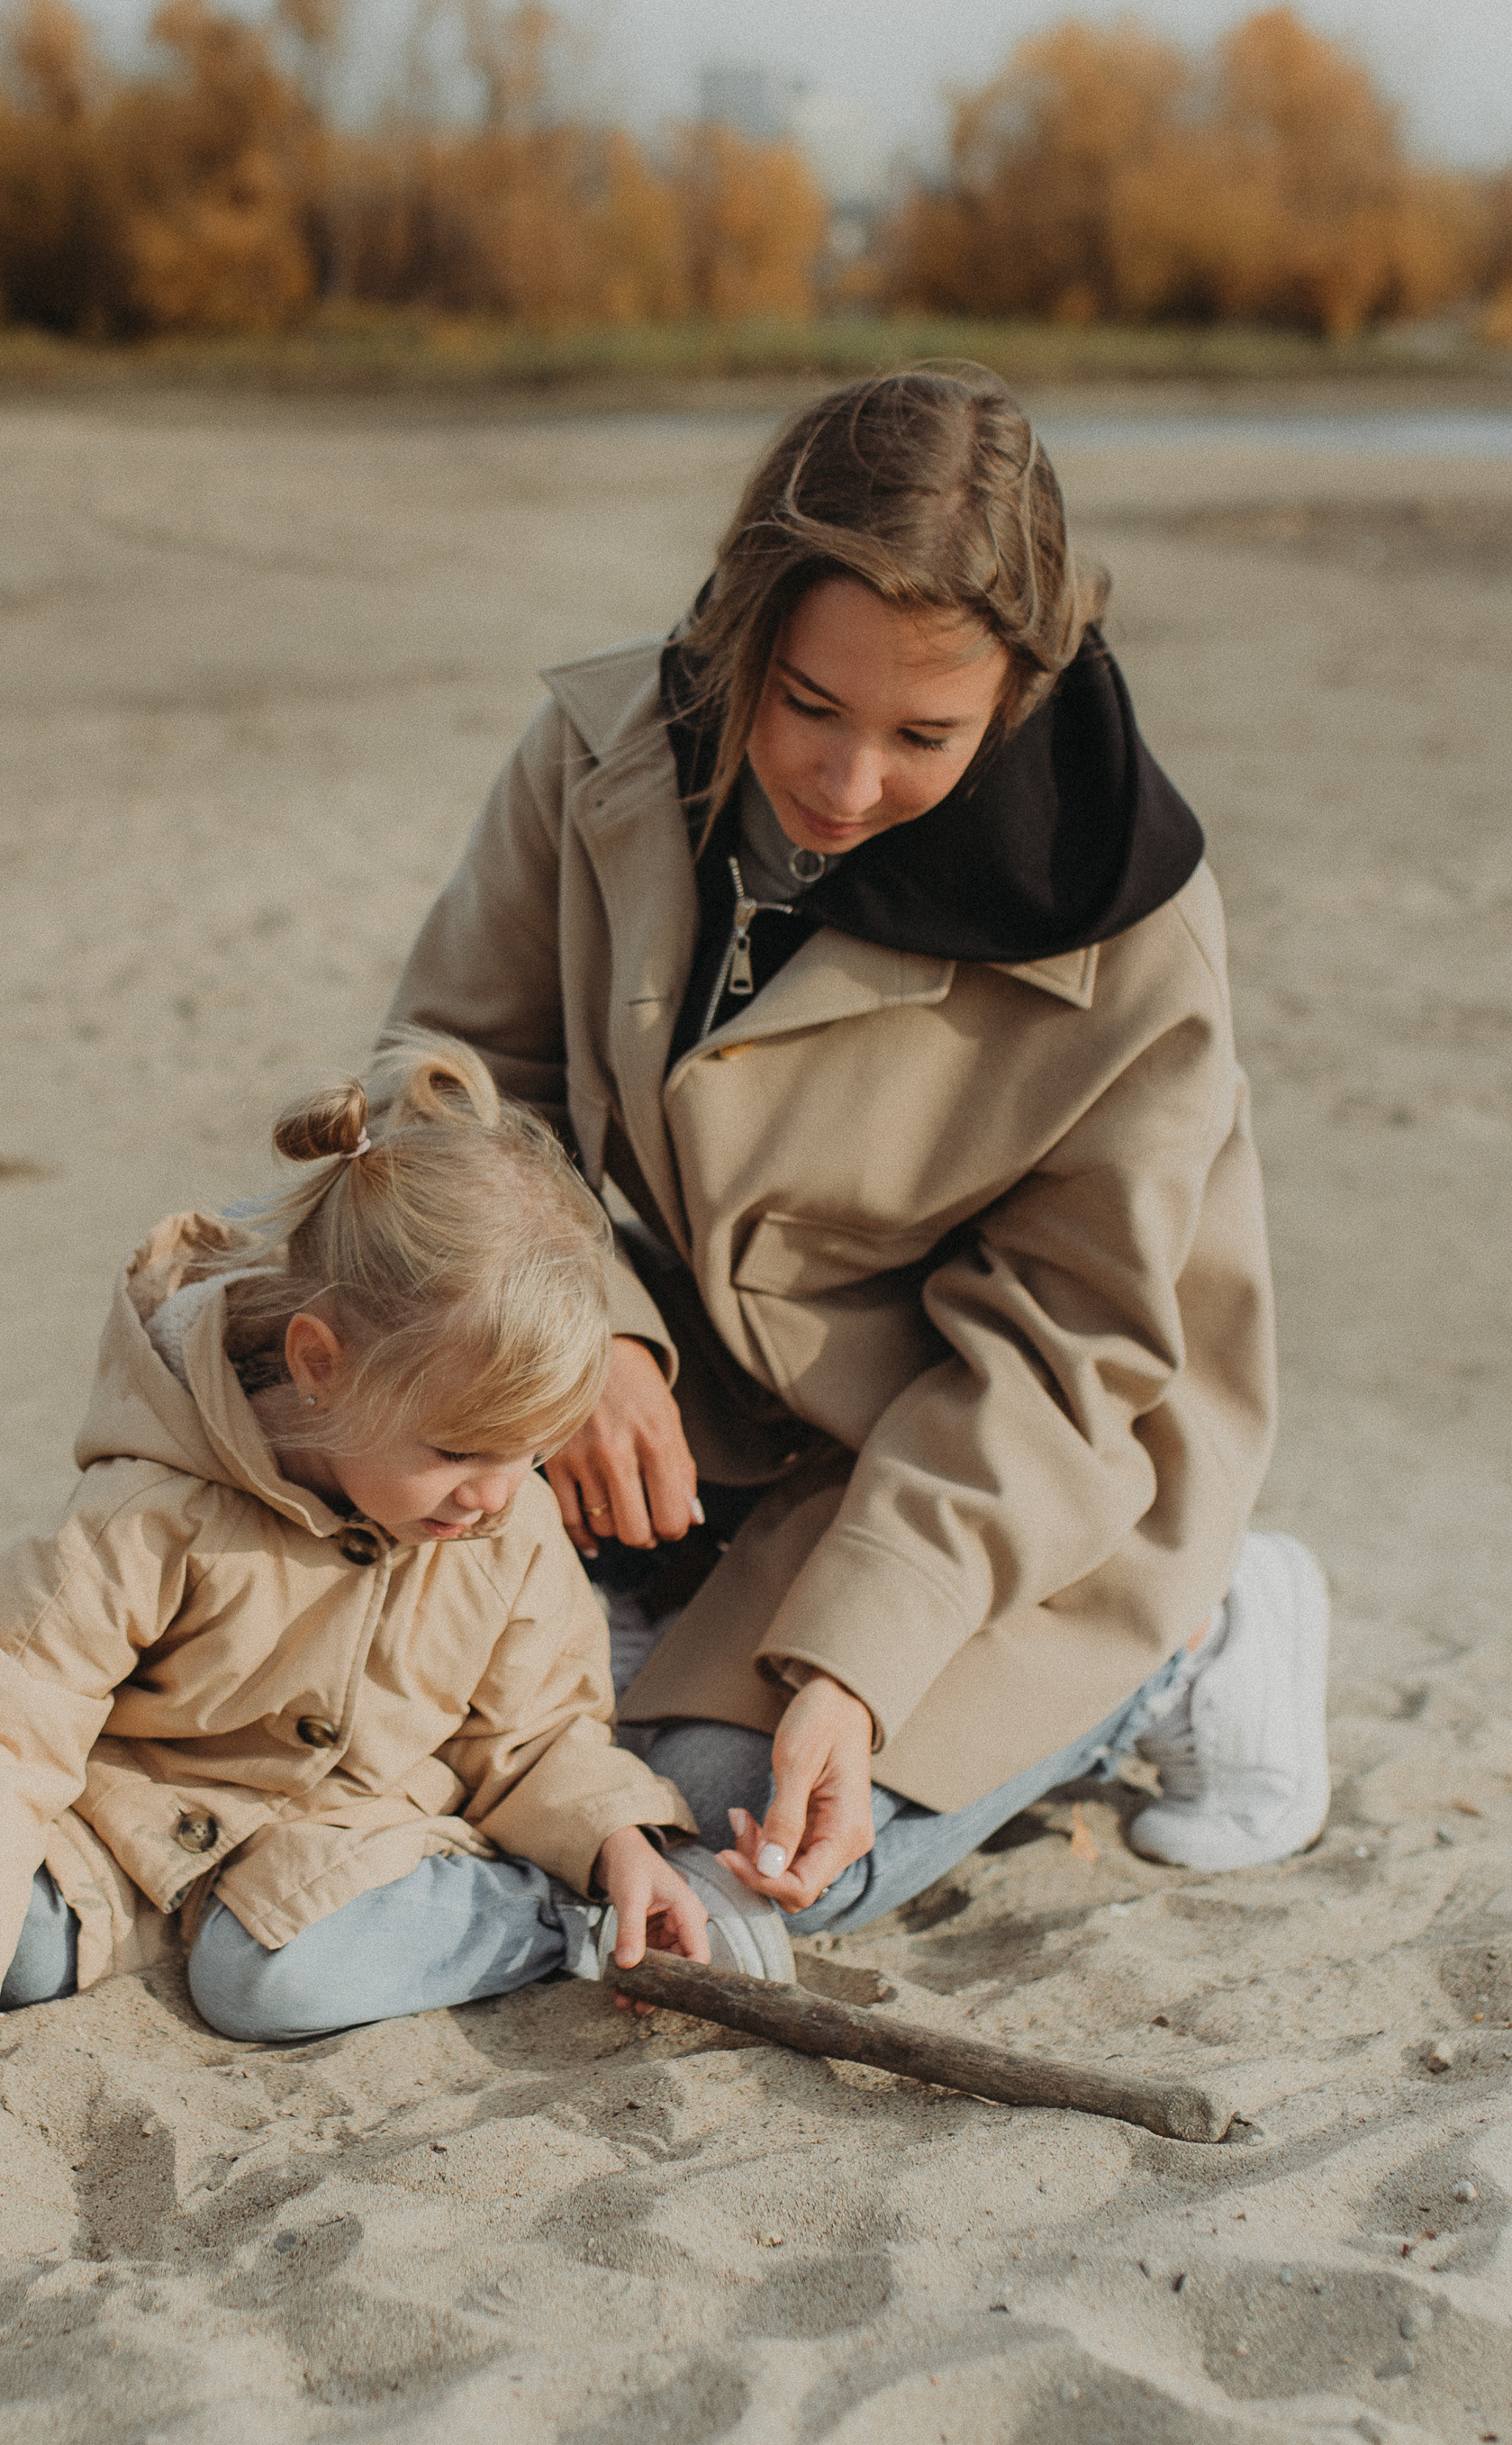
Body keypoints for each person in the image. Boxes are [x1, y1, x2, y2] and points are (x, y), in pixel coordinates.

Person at [386, 362, 1331, 1940]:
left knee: (728, 1844)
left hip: (1027, 1451)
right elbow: (455, 1073)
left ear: (1020, 690)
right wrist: (586, 1323)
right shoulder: (601, 749)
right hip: (718, 1392)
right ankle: (682, 1595)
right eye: (806, 703)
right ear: (741, 625)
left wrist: (857, 1669)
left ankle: (1197, 1633)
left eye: (925, 734)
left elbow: (1068, 1358)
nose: (842, 783)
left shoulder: (1136, 931)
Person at [0, 1039, 793, 2124]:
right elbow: (5, 1719)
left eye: (531, 1452)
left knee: (268, 1986)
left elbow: (531, 1737)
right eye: (459, 1450)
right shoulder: (148, 1510)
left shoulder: (503, 1519)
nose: (496, 1494)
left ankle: (546, 1916)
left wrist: (613, 1842)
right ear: (319, 1363)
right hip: (138, 1822)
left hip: (352, 1842)